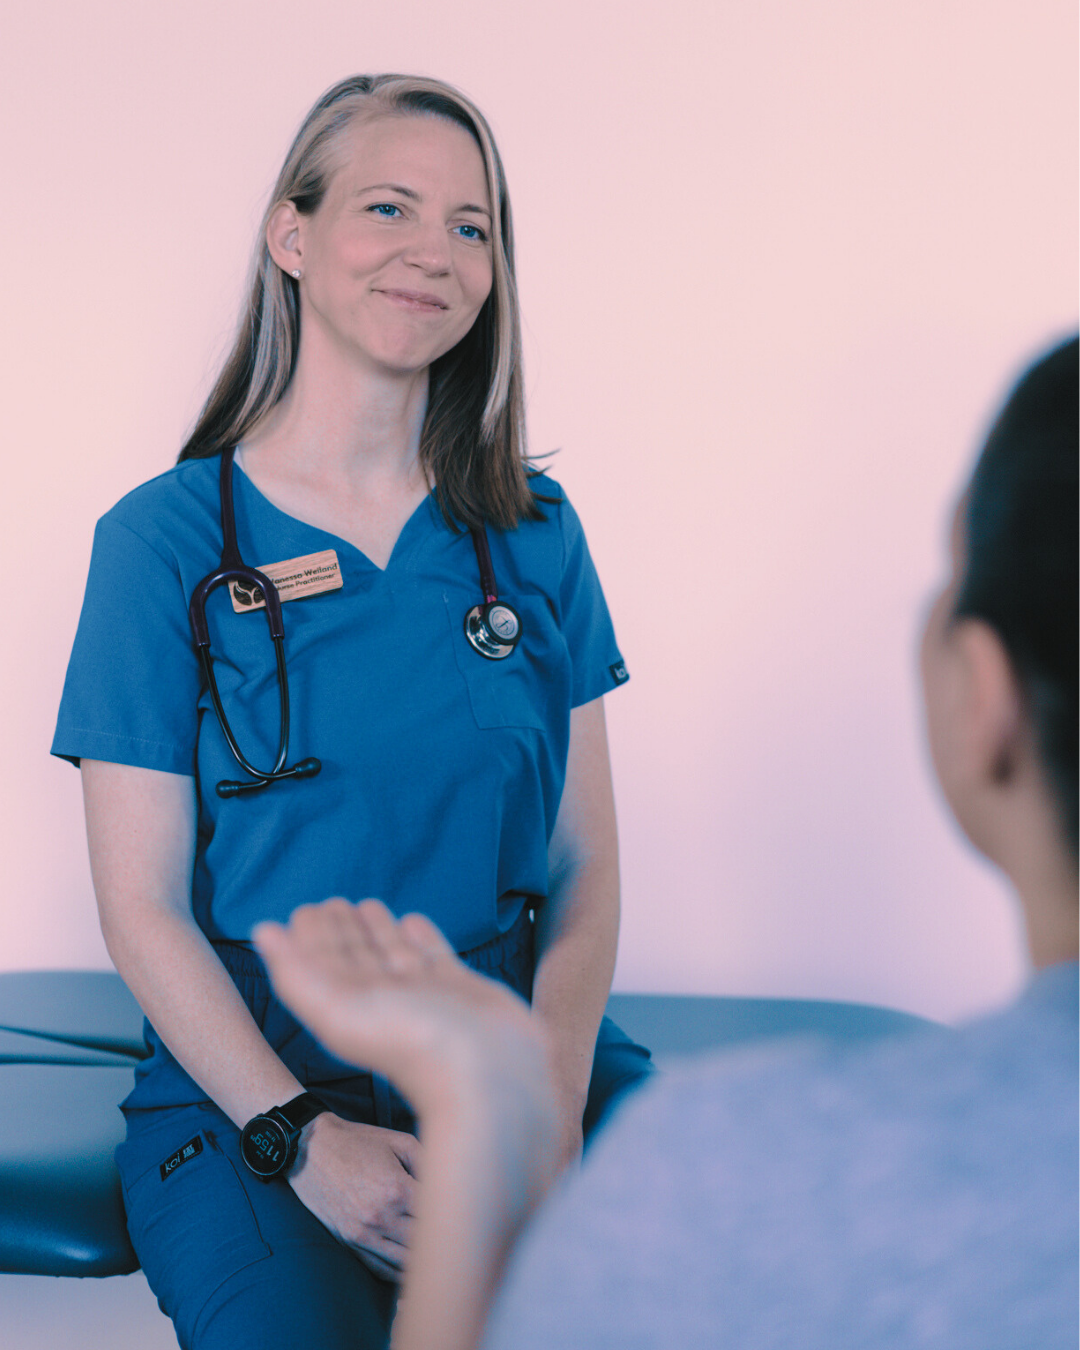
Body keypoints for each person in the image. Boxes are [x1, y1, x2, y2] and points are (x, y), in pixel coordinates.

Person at [253, 336, 1079, 1350]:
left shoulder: (729, 1171)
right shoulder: (166, 534)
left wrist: (496, 1104)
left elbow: (584, 853)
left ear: (983, 700)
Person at [51, 74, 651, 1349]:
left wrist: (540, 1093)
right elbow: (142, 908)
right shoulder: (163, 543)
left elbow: (585, 863)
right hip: (256, 1097)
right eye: (390, 207)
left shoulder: (533, 538)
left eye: (472, 226)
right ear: (292, 236)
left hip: (508, 1061)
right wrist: (299, 1137)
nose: (435, 253)